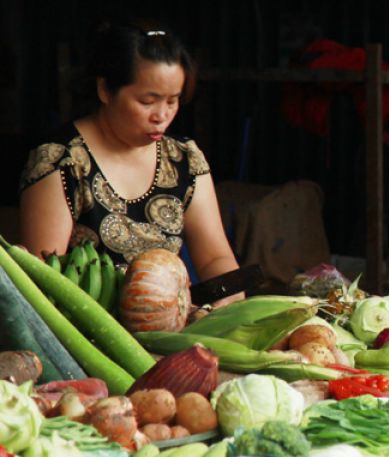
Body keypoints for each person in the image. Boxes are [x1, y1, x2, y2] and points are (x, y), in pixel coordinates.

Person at [18, 19, 239, 289]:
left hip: (170, 323)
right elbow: (42, 281)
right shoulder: (60, 161)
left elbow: (215, 257)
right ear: (105, 90)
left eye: (173, 101)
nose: (162, 116)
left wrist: (227, 296)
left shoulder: (185, 159)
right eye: (147, 101)